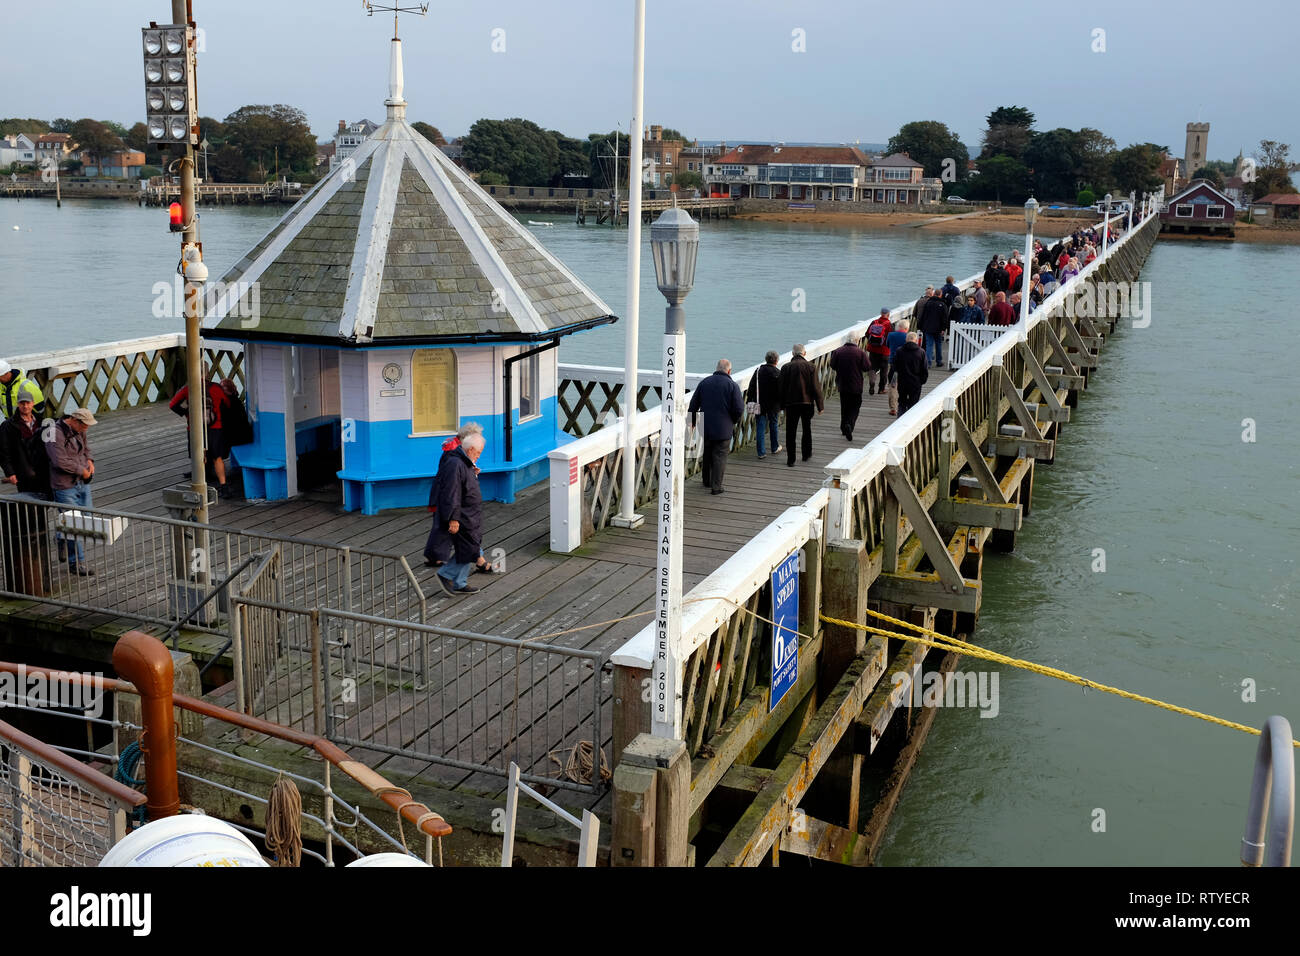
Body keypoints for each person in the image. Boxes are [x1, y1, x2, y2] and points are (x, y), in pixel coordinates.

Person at [424, 423, 496, 573]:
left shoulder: (456, 451)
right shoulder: (456, 456)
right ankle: (477, 560)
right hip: (453, 499)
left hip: (448, 497)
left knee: (446, 529)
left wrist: (471, 472)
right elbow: (453, 482)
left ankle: (434, 556)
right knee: (464, 532)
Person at [431, 432, 487, 596]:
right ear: (470, 450)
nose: (479, 456)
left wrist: (473, 473)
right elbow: (452, 493)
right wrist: (453, 519)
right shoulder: (456, 464)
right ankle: (445, 574)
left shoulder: (464, 463)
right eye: (478, 452)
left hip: (470, 514)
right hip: (462, 515)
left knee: (470, 547)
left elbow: (462, 485)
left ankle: (460, 583)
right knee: (469, 548)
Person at [48, 408, 97, 576]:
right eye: (85, 425)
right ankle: (76, 563)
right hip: (64, 485)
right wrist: (81, 470)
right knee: (73, 524)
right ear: (75, 421)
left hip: (82, 482)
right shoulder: (54, 433)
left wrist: (89, 461)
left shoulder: (79, 430)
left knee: (86, 520)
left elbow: (86, 448)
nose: (86, 429)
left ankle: (60, 537)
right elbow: (59, 461)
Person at [169, 374, 232, 497]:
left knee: (198, 455)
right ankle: (224, 485)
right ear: (207, 373)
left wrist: (186, 413)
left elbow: (172, 405)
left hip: (194, 427)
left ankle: (200, 483)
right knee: (217, 458)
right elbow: (227, 404)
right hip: (215, 427)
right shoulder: (216, 388)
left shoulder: (188, 389)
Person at [687, 358, 744, 494]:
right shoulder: (732, 386)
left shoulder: (704, 383)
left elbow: (693, 405)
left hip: (705, 426)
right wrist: (733, 421)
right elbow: (739, 408)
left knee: (707, 453)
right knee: (720, 455)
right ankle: (716, 486)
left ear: (717, 368)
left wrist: (692, 421)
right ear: (729, 370)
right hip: (723, 427)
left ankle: (706, 480)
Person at [777, 344, 823, 467]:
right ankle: (806, 454)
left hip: (791, 404)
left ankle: (791, 459)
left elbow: (781, 389)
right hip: (807, 403)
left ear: (793, 354)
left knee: (790, 432)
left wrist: (781, 406)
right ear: (804, 353)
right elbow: (816, 388)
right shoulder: (811, 367)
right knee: (806, 429)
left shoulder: (786, 368)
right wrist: (820, 406)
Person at [0, 393, 50, 497]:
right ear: (18, 404)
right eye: (22, 403)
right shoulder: (7, 425)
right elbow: (3, 452)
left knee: (46, 500)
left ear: (33, 403)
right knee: (29, 503)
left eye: (28, 403)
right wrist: (10, 473)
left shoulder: (42, 422)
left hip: (44, 471)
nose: (25, 406)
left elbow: (51, 446)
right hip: (24, 472)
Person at [829, 335, 869, 443]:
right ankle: (849, 425)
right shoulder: (860, 352)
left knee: (844, 406)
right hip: (856, 384)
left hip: (842, 383)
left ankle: (843, 427)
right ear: (857, 340)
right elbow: (866, 367)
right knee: (855, 406)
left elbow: (832, 365)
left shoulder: (838, 351)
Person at [745, 351, 783, 459]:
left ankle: (761, 452)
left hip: (759, 404)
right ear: (776, 360)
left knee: (760, 427)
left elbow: (751, 387)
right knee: (773, 425)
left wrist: (749, 401)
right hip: (773, 405)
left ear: (766, 359)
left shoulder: (758, 371)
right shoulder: (778, 373)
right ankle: (774, 447)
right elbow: (781, 390)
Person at [891, 332, 928, 416]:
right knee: (914, 403)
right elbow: (924, 369)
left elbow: (895, 366)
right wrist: (922, 381)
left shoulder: (899, 350)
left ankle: (900, 419)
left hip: (902, 381)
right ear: (916, 340)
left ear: (906, 340)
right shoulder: (921, 352)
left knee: (902, 402)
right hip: (916, 382)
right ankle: (910, 420)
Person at [863, 309, 893, 397]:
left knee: (872, 367)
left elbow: (867, 334)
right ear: (888, 314)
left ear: (881, 314)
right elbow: (891, 336)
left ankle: (872, 382)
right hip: (884, 351)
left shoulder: (874, 322)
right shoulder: (889, 325)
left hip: (873, 350)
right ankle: (881, 389)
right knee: (884, 370)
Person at [917, 289, 949, 368]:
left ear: (934, 294)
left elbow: (923, 316)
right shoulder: (942, 304)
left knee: (929, 345)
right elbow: (945, 318)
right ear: (940, 295)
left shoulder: (928, 303)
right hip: (938, 328)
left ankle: (928, 363)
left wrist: (921, 326)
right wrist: (943, 329)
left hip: (927, 327)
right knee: (938, 344)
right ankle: (939, 361)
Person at [884, 319, 909, 416]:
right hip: (905, 364)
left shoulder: (891, 335)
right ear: (906, 328)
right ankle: (903, 405)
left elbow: (887, 345)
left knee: (893, 385)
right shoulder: (907, 336)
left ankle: (893, 408)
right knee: (904, 385)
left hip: (893, 364)